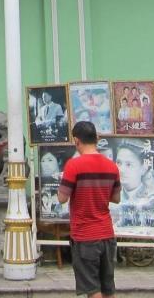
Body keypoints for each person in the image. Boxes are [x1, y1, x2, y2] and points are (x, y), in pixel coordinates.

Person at [58, 121, 121, 298]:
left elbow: (62, 197)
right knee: (108, 289)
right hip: (107, 235)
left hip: (85, 236)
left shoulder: (73, 165)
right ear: (96, 138)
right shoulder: (112, 166)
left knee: (92, 290)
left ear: (77, 141)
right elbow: (116, 198)